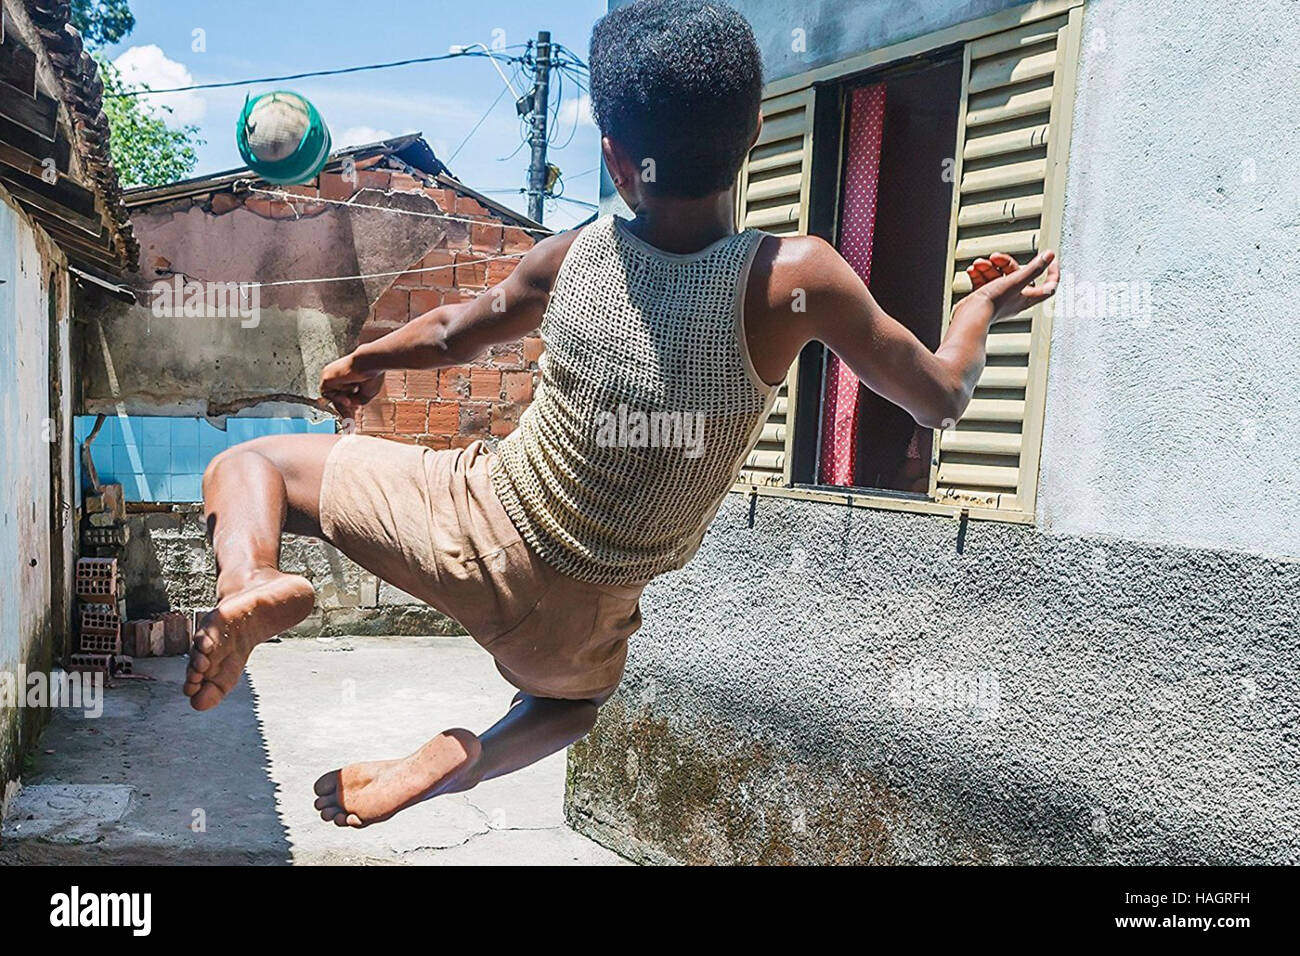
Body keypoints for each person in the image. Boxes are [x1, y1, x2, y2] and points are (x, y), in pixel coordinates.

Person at [186, 0, 1059, 828]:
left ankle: (249, 584)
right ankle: (473, 761)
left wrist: (364, 360)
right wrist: (980, 312)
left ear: (612, 157)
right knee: (571, 708)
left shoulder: (571, 257)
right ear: (755, 134)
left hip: (478, 523)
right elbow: (942, 398)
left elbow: (453, 331)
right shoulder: (798, 281)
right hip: (587, 610)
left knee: (249, 469)